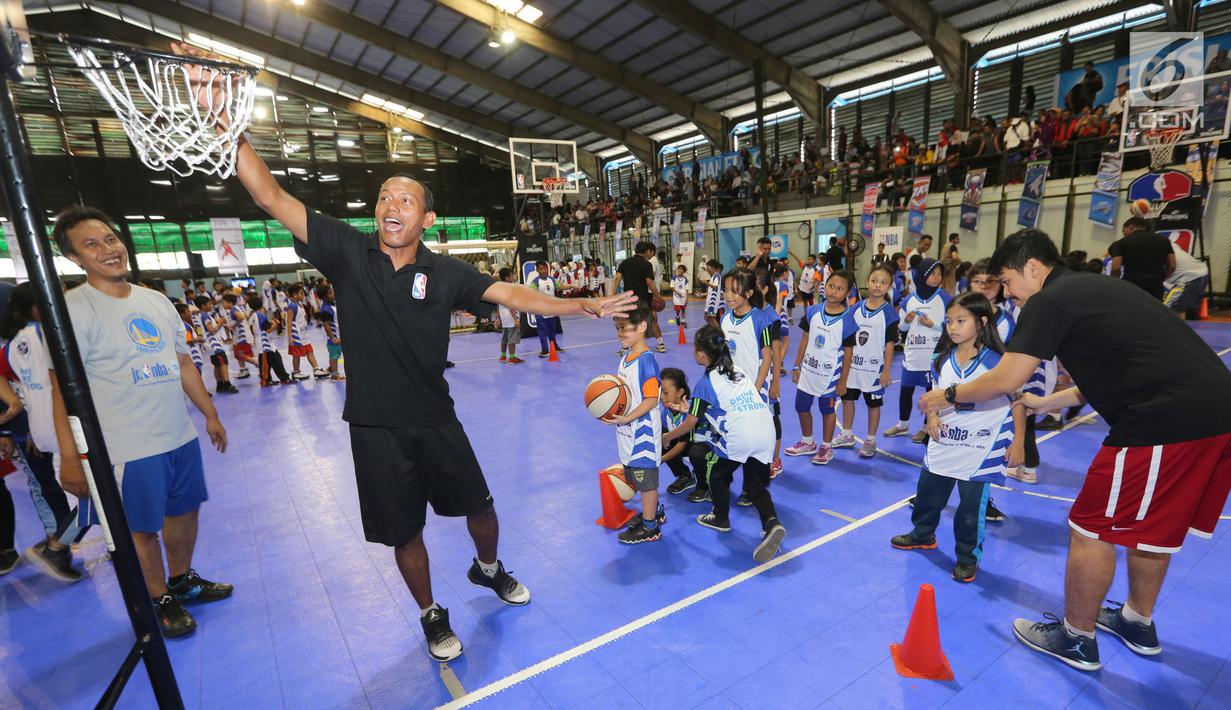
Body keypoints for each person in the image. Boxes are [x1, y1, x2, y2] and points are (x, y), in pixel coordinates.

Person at [181, 37, 639, 660]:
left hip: (435, 416)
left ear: (426, 219)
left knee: (481, 507)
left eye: (406, 199)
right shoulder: (346, 250)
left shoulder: (446, 273)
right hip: (374, 426)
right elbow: (269, 196)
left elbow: (515, 294)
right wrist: (222, 118)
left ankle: (488, 566)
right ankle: (430, 612)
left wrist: (579, 304)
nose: (391, 204)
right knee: (405, 533)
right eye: (385, 198)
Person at [918, 229, 1231, 672]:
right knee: (1151, 529)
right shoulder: (1093, 288)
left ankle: (1077, 636)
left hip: (1164, 419)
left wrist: (947, 395)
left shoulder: (1050, 299)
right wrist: (1050, 402)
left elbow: (1007, 378)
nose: (1008, 294)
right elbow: (1120, 365)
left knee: (1090, 528)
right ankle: (1136, 621)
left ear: (1032, 268)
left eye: (1007, 281)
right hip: (1210, 416)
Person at [50, 205, 231, 638]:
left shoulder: (155, 300)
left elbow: (183, 362)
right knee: (140, 528)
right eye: (91, 245)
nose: (107, 250)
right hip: (127, 445)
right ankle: (157, 597)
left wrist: (209, 414)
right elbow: (61, 388)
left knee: (185, 513)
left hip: (178, 435)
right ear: (75, 258)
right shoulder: (74, 309)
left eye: (110, 239)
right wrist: (71, 457)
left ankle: (181, 579)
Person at [892, 292, 1025, 583]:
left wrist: (1018, 441)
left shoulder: (998, 364)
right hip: (944, 441)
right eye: (949, 321)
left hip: (978, 448)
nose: (952, 327)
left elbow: (1018, 402)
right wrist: (933, 418)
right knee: (928, 493)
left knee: (969, 510)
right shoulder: (942, 360)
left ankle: (967, 557)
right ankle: (923, 534)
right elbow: (933, 398)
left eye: (961, 321)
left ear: (981, 322)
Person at [661, 326, 786, 563]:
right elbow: (721, 405)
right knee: (754, 483)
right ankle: (772, 523)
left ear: (700, 354)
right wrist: (691, 408)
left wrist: (669, 436)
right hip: (765, 430)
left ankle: (720, 517)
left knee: (718, 474)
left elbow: (690, 424)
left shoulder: (705, 383)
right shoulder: (737, 371)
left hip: (741, 435)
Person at [604, 303, 664, 545]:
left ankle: (650, 528)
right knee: (637, 477)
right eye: (617, 328)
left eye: (624, 328)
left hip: (643, 433)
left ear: (641, 327)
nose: (620, 333)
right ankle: (654, 512)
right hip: (628, 429)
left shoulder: (646, 361)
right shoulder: (627, 356)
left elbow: (651, 399)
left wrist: (628, 417)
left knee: (647, 481)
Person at [785, 271, 856, 465]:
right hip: (808, 370)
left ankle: (826, 446)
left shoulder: (848, 319)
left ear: (847, 293)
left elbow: (849, 352)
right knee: (801, 406)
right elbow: (805, 340)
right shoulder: (813, 311)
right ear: (825, 285)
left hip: (830, 375)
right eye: (831, 286)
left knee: (827, 409)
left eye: (840, 289)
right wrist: (796, 366)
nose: (834, 291)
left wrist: (843, 380)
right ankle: (808, 442)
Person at [838, 264, 899, 459]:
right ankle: (846, 434)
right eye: (874, 281)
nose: (877, 286)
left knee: (874, 404)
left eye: (883, 283)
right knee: (847, 400)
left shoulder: (889, 314)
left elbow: (890, 345)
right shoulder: (855, 309)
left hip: (873, 370)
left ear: (889, 286)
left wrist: (886, 370)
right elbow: (846, 339)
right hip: (853, 367)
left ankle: (870, 439)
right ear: (867, 282)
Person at [885, 259, 949, 443]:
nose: (937, 277)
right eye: (933, 273)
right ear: (921, 275)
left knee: (931, 393)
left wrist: (934, 326)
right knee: (906, 390)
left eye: (939, 273)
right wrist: (907, 320)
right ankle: (902, 425)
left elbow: (952, 328)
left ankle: (925, 426)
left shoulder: (946, 300)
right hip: (913, 355)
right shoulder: (908, 300)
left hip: (934, 356)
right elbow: (902, 329)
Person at [615, 242, 664, 354]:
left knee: (626, 323)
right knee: (651, 321)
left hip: (629, 299)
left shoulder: (625, 263)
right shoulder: (646, 264)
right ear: (646, 251)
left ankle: (625, 348)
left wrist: (612, 294)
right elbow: (649, 282)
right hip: (643, 298)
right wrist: (658, 296)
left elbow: (617, 278)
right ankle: (661, 344)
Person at [1109, 216, 1175, 300]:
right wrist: (1161, 278)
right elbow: (1172, 266)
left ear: (1130, 227)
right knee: (1153, 311)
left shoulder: (1120, 243)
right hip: (1156, 286)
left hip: (1132, 285)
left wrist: (1115, 283)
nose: (1124, 234)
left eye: (1123, 231)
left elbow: (1115, 267)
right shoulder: (1164, 241)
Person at [195, 296, 238, 394]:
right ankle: (227, 384)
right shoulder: (204, 316)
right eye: (209, 304)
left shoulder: (204, 315)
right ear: (203, 306)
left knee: (217, 365)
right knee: (223, 363)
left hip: (212, 344)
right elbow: (212, 330)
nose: (211, 305)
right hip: (214, 344)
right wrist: (221, 323)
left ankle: (220, 384)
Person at [285, 284, 328, 378]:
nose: (303, 296)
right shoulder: (291, 306)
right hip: (296, 335)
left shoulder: (299, 304)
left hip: (303, 333)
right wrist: (290, 337)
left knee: (309, 351)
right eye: (301, 294)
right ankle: (296, 372)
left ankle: (316, 369)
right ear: (295, 295)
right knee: (296, 354)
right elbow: (289, 322)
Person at [248, 295, 291, 386]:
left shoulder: (253, 315)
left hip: (266, 342)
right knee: (266, 362)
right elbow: (268, 330)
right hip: (264, 344)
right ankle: (266, 380)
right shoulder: (260, 315)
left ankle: (284, 378)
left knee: (276, 359)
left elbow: (259, 327)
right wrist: (276, 324)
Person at [1162, 242, 1209, 319]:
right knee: (1181, 308)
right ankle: (1182, 329)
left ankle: (1176, 330)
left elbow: (1171, 267)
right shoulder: (1169, 244)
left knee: (1171, 308)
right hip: (1202, 273)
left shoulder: (1158, 250)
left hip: (1189, 277)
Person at [220, 293, 257, 379]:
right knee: (238, 354)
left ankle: (256, 362)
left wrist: (233, 326)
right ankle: (243, 370)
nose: (223, 305)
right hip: (238, 337)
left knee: (240, 354)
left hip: (242, 337)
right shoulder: (232, 310)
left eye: (224, 303)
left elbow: (241, 317)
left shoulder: (233, 309)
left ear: (229, 302)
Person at [315, 284, 345, 380]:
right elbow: (326, 325)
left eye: (332, 292)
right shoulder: (325, 309)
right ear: (324, 297)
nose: (333, 294)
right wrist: (332, 337)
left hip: (339, 335)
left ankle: (330, 368)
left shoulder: (333, 304)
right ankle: (335, 374)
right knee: (334, 355)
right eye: (330, 293)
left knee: (336, 354)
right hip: (334, 338)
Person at [495, 268, 524, 364]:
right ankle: (512, 358)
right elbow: (511, 305)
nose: (513, 277)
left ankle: (503, 356)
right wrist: (516, 319)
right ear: (507, 278)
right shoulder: (510, 289)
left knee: (504, 339)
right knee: (512, 339)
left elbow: (498, 305)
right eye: (512, 276)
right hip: (511, 318)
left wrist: (497, 318)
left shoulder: (499, 288)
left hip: (504, 319)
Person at [702, 259, 724, 327]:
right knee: (707, 317)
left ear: (714, 267)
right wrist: (702, 294)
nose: (707, 270)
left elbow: (716, 288)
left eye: (708, 268)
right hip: (710, 301)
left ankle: (719, 332)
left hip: (714, 302)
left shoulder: (717, 276)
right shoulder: (713, 277)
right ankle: (715, 330)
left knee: (710, 317)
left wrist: (706, 283)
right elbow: (712, 291)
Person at [671, 264, 689, 329]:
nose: (679, 270)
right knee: (678, 309)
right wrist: (677, 293)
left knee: (683, 309)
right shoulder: (674, 277)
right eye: (679, 269)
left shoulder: (685, 279)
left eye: (681, 269)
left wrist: (687, 297)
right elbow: (672, 287)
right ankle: (677, 317)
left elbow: (687, 289)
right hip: (676, 297)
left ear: (683, 271)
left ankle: (683, 322)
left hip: (683, 296)